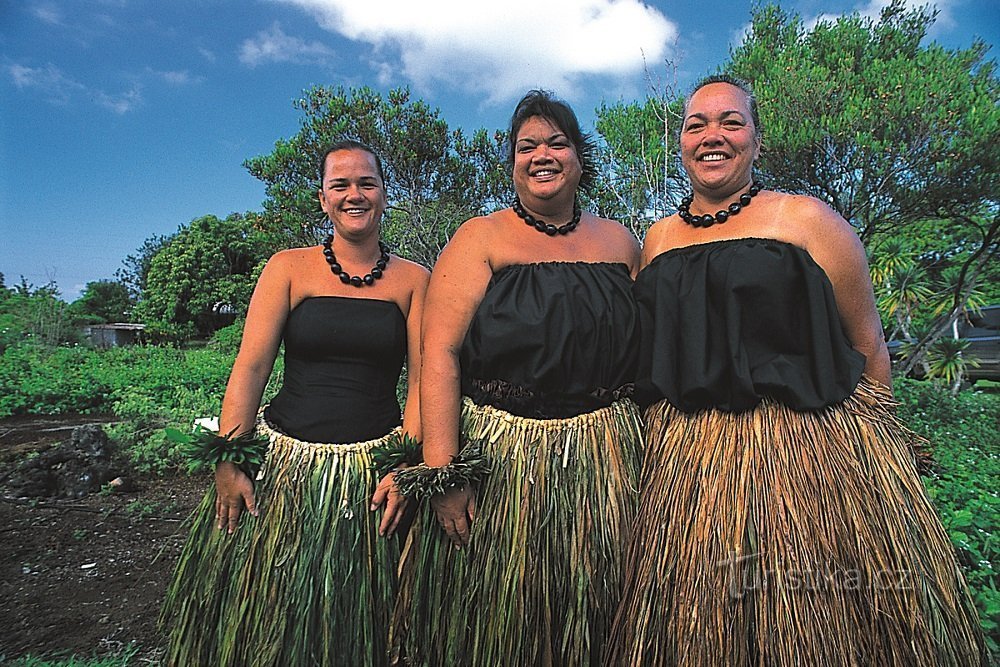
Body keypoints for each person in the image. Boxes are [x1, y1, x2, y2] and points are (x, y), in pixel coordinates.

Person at [603, 75, 984, 666]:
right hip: (687, 466)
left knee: (816, 621)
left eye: (731, 122)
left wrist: (887, 457)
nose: (712, 135)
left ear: (758, 141)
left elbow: (867, 343)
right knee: (702, 626)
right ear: (681, 144)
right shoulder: (657, 240)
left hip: (807, 456)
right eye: (696, 124)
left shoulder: (807, 220)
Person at [390, 90, 643, 666]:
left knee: (595, 615)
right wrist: (442, 471)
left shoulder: (621, 242)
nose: (542, 156)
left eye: (557, 143)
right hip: (503, 460)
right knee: (499, 626)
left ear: (579, 157)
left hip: (604, 457)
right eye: (527, 147)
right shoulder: (480, 238)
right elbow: (439, 354)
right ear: (511, 163)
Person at [160, 140, 430, 667]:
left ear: (384, 193)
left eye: (367, 183)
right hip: (287, 469)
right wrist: (229, 459)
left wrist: (405, 465)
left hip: (371, 476)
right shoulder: (287, 268)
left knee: (362, 624)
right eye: (340, 185)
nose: (354, 194)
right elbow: (251, 367)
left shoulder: (415, 280)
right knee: (273, 617)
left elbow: (424, 381)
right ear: (323, 199)